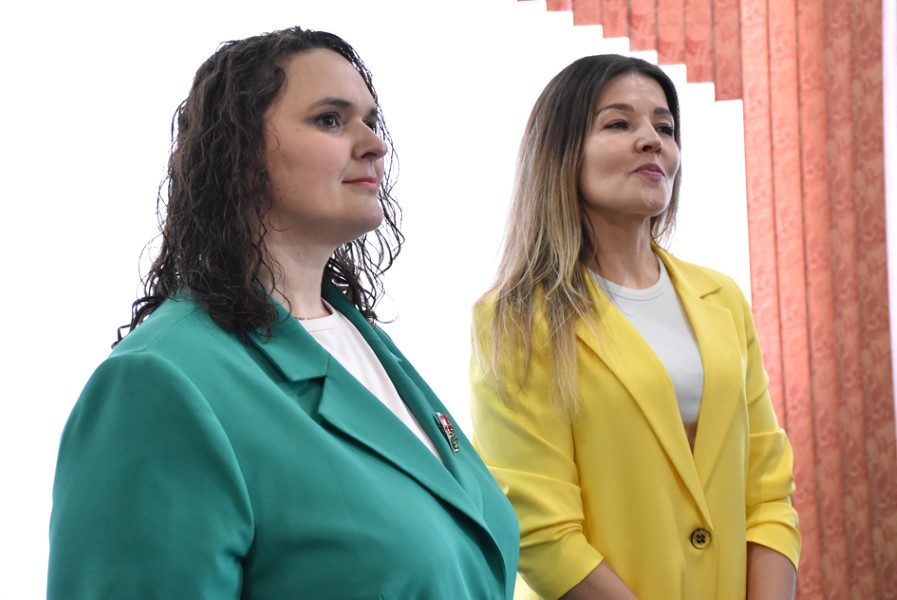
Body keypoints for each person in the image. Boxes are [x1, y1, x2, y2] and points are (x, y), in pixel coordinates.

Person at [48, 26, 519, 599]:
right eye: (330, 119)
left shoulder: (362, 341)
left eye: (371, 120)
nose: (374, 144)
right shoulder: (158, 383)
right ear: (242, 156)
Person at [470, 54, 800, 599]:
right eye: (619, 123)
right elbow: (542, 533)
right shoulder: (514, 319)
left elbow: (768, 492)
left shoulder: (722, 298)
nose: (652, 141)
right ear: (561, 151)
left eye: (664, 128)